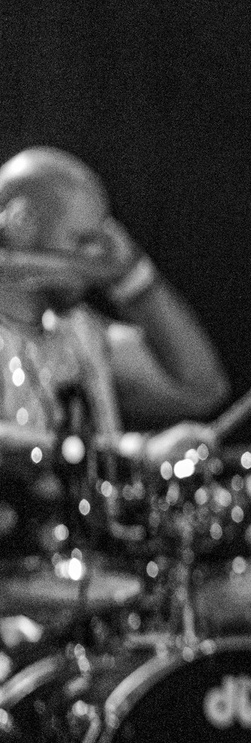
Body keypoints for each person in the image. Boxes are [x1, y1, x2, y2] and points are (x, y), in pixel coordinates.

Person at [0, 147, 231, 645]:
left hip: (95, 599)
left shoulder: (84, 334)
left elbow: (201, 387)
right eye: (83, 239)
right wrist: (130, 453)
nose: (96, 258)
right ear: (20, 223)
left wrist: (133, 275)